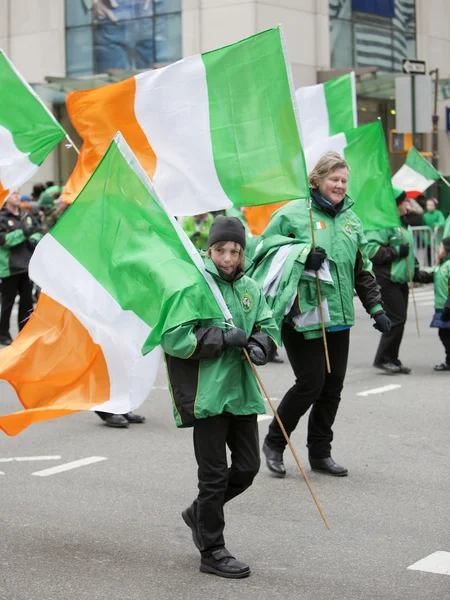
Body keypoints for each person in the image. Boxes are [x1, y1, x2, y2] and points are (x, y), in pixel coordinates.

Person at [252, 152, 390, 478]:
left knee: (332, 388)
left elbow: (362, 270)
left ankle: (320, 453)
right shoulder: (292, 214)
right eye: (334, 179)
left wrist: (377, 308)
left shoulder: (352, 221)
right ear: (317, 180)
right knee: (310, 384)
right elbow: (265, 253)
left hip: (338, 317)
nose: (340, 185)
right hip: (302, 315)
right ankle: (274, 442)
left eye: (344, 180)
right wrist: (301, 257)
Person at [161, 216, 278, 578]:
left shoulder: (251, 288)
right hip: (207, 395)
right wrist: (221, 338)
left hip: (241, 393)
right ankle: (212, 549)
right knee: (212, 477)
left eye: (235, 251)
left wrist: (261, 345)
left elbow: (267, 325)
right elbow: (174, 338)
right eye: (221, 250)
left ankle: (199, 513)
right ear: (209, 249)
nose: (228, 258)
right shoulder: (195, 285)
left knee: (247, 467)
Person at [366, 188, 431, 374]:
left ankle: (392, 358)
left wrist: (416, 268)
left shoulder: (402, 223)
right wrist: (395, 252)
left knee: (399, 320)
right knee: (395, 319)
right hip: (387, 280)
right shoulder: (383, 224)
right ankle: (383, 358)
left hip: (401, 280)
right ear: (395, 204)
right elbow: (371, 251)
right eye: (404, 202)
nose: (408, 205)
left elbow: (408, 250)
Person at [0, 191, 42, 346]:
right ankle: (3, 333)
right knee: (7, 303)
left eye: (18, 193)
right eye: (13, 194)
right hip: (9, 268)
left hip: (26, 267)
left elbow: (37, 231)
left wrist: (33, 238)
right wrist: (23, 233)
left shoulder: (26, 215)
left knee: (26, 303)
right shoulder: (2, 218)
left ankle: (23, 334)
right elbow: (4, 241)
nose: (17, 196)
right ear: (5, 198)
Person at [429, 237, 450, 371]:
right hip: (441, 306)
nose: (439, 249)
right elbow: (429, 274)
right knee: (444, 334)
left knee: (445, 335)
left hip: (447, 306)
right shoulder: (441, 264)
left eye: (441, 246)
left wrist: (448, 306)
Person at [423, 198, 445, 265]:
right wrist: (424, 237)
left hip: (438, 238)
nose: (429, 206)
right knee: (429, 255)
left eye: (431, 205)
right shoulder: (425, 216)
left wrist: (436, 224)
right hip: (429, 239)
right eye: (428, 205)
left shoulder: (438, 213)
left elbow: (442, 222)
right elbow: (423, 227)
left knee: (440, 254)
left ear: (434, 206)